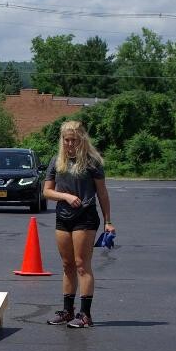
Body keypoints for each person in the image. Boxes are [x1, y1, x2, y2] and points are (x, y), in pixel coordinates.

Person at [43, 120, 115, 328]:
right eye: (66, 140)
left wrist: (108, 221)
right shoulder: (57, 161)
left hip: (85, 216)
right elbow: (47, 191)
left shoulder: (92, 162)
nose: (69, 144)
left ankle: (85, 314)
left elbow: (102, 193)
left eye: (73, 140)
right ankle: (67, 311)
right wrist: (64, 196)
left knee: (82, 265)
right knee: (67, 265)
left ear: (82, 139)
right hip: (63, 216)